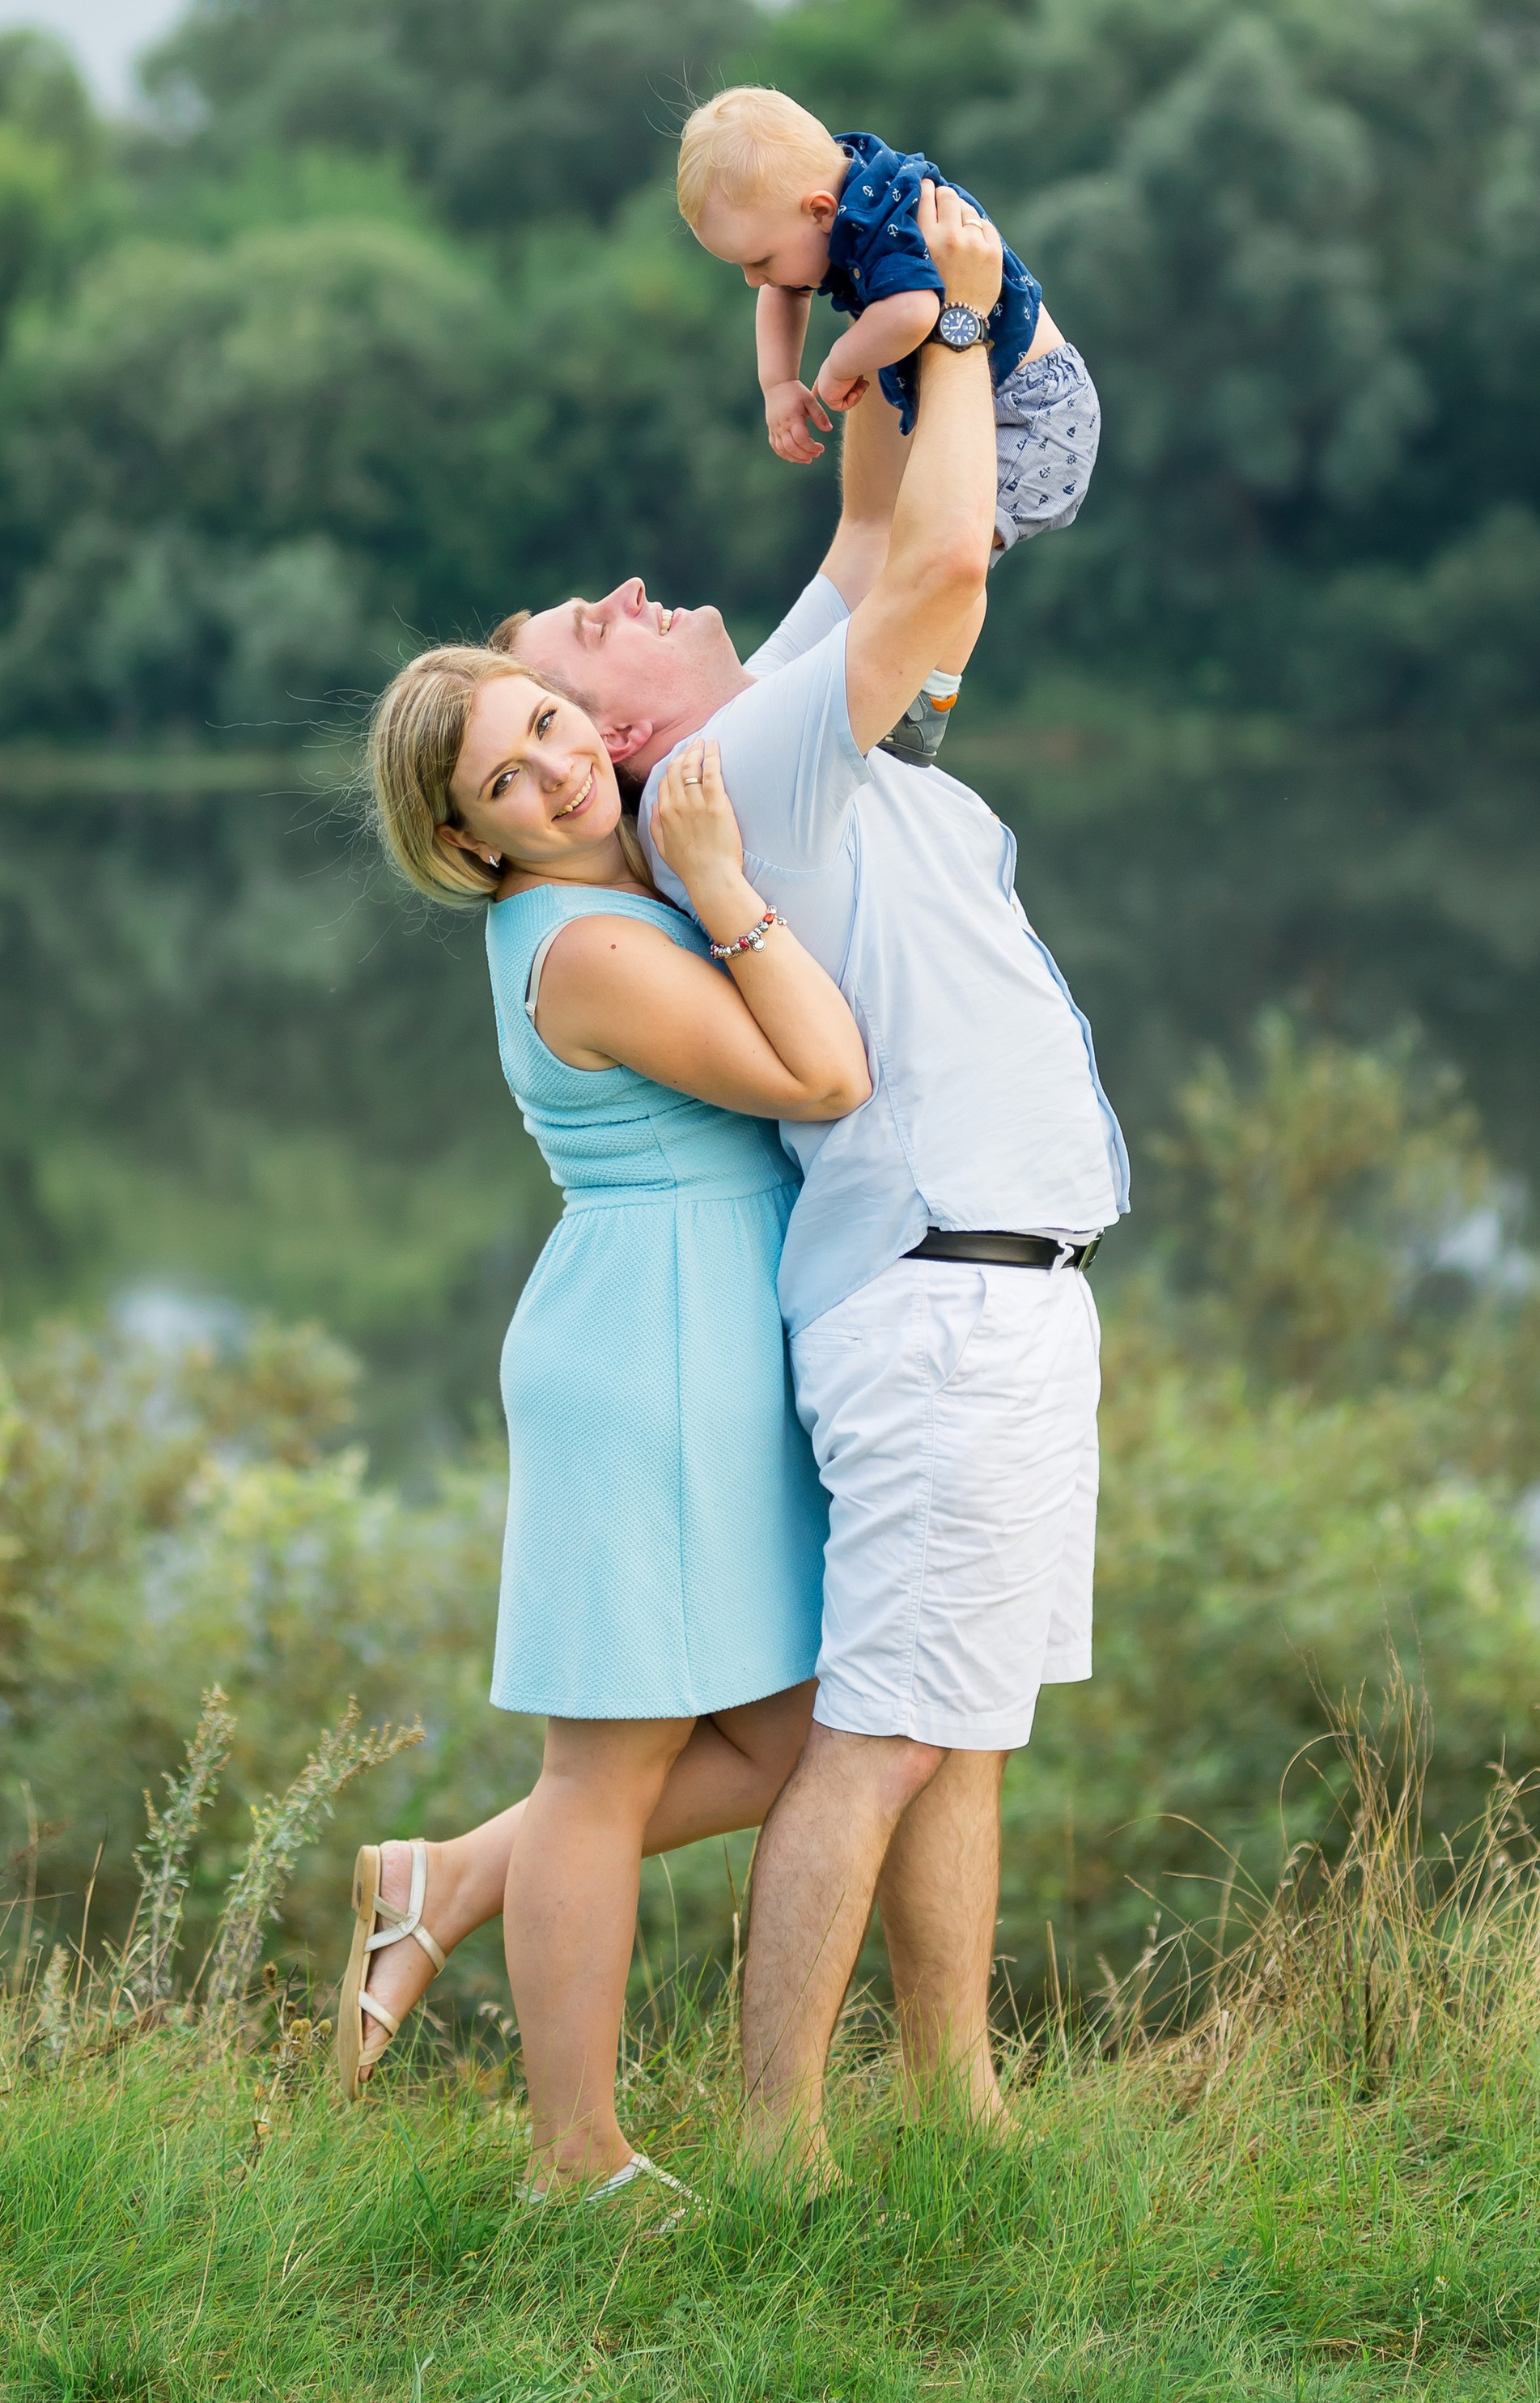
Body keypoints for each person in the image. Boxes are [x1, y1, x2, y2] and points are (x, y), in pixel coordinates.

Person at [515, 181, 1130, 2184]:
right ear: (621, 736)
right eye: (577, 639)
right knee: (876, 1733)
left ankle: (950, 2098)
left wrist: (857, 298)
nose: (623, 588)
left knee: (952, 1722)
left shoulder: (751, 717)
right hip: (944, 1294)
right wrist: (949, 329)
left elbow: (875, 530)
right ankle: (782, 2149)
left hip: (993, 1280)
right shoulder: (752, 759)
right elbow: (944, 560)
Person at [344, 649, 869, 2202]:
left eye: (554, 726)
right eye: (508, 774)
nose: (559, 767)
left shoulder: (595, 888)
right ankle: (573, 2161)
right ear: (471, 842)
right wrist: (725, 886)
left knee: (795, 1741)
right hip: (649, 1347)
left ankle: (442, 1879)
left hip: (704, 1328)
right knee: (601, 1768)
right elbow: (824, 1072)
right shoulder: (581, 942)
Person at [677, 83, 1101, 765]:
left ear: (819, 211)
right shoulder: (822, 210)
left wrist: (841, 360)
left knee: (955, 554)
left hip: (1035, 414)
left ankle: (929, 700)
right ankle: (901, 683)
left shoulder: (891, 215)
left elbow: (912, 314)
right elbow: (786, 292)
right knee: (914, 545)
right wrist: (777, 385)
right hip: (977, 400)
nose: (755, 281)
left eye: (758, 261)